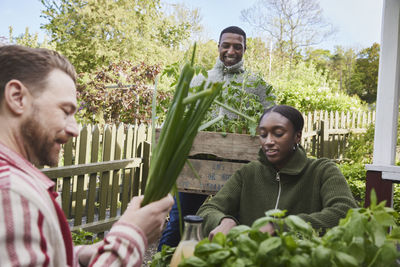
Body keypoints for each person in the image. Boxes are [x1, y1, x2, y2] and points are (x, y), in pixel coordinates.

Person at [0, 45, 174, 266]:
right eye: (65, 111)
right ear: (17, 97)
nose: (74, 129)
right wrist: (132, 236)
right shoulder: (9, 191)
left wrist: (79, 253)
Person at [158, 26, 273, 250]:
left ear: (245, 49)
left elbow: (272, 118)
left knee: (233, 227)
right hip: (197, 164)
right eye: (226, 45)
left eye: (237, 46)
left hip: (238, 168)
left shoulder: (256, 84)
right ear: (218, 47)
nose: (231, 50)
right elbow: (179, 114)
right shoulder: (200, 80)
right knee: (178, 224)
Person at [197, 105, 358, 239]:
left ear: (297, 136)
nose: (269, 141)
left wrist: (280, 226)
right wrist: (223, 221)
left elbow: (345, 211)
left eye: (278, 133)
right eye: (263, 134)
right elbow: (207, 210)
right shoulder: (248, 173)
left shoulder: (322, 171)